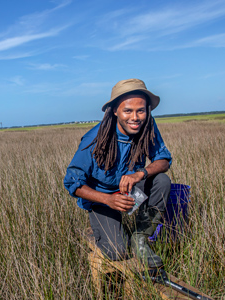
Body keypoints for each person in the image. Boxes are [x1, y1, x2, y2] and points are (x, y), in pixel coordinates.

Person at [64, 78, 172, 268]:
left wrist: (141, 174)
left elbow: (163, 160)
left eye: (141, 110)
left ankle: (140, 238)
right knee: (117, 252)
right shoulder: (94, 139)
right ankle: (109, 229)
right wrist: (108, 200)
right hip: (104, 200)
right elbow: (72, 182)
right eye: (128, 110)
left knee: (161, 180)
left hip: (131, 192)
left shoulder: (146, 127)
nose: (135, 117)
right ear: (115, 111)